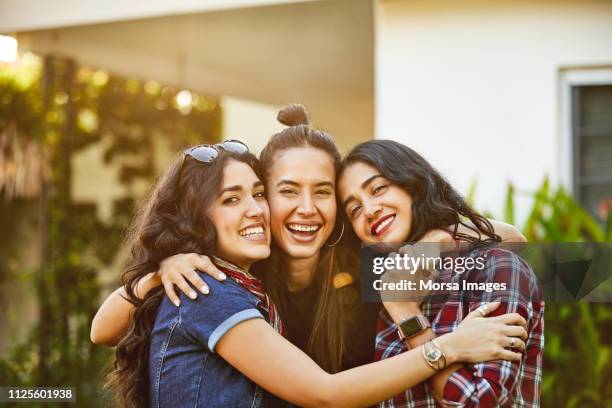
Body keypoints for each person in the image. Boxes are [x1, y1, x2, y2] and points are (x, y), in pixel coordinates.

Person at [92, 105, 527, 375]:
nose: (307, 208)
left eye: (322, 192)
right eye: (287, 191)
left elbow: (515, 240)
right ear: (262, 196)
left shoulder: (364, 261)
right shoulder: (240, 270)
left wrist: (436, 241)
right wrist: (160, 271)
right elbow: (103, 330)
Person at [337, 139, 545, 407]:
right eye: (354, 209)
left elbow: (477, 401)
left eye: (378, 189)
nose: (369, 210)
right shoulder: (385, 291)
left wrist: (407, 314)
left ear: (413, 184)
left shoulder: (495, 268)